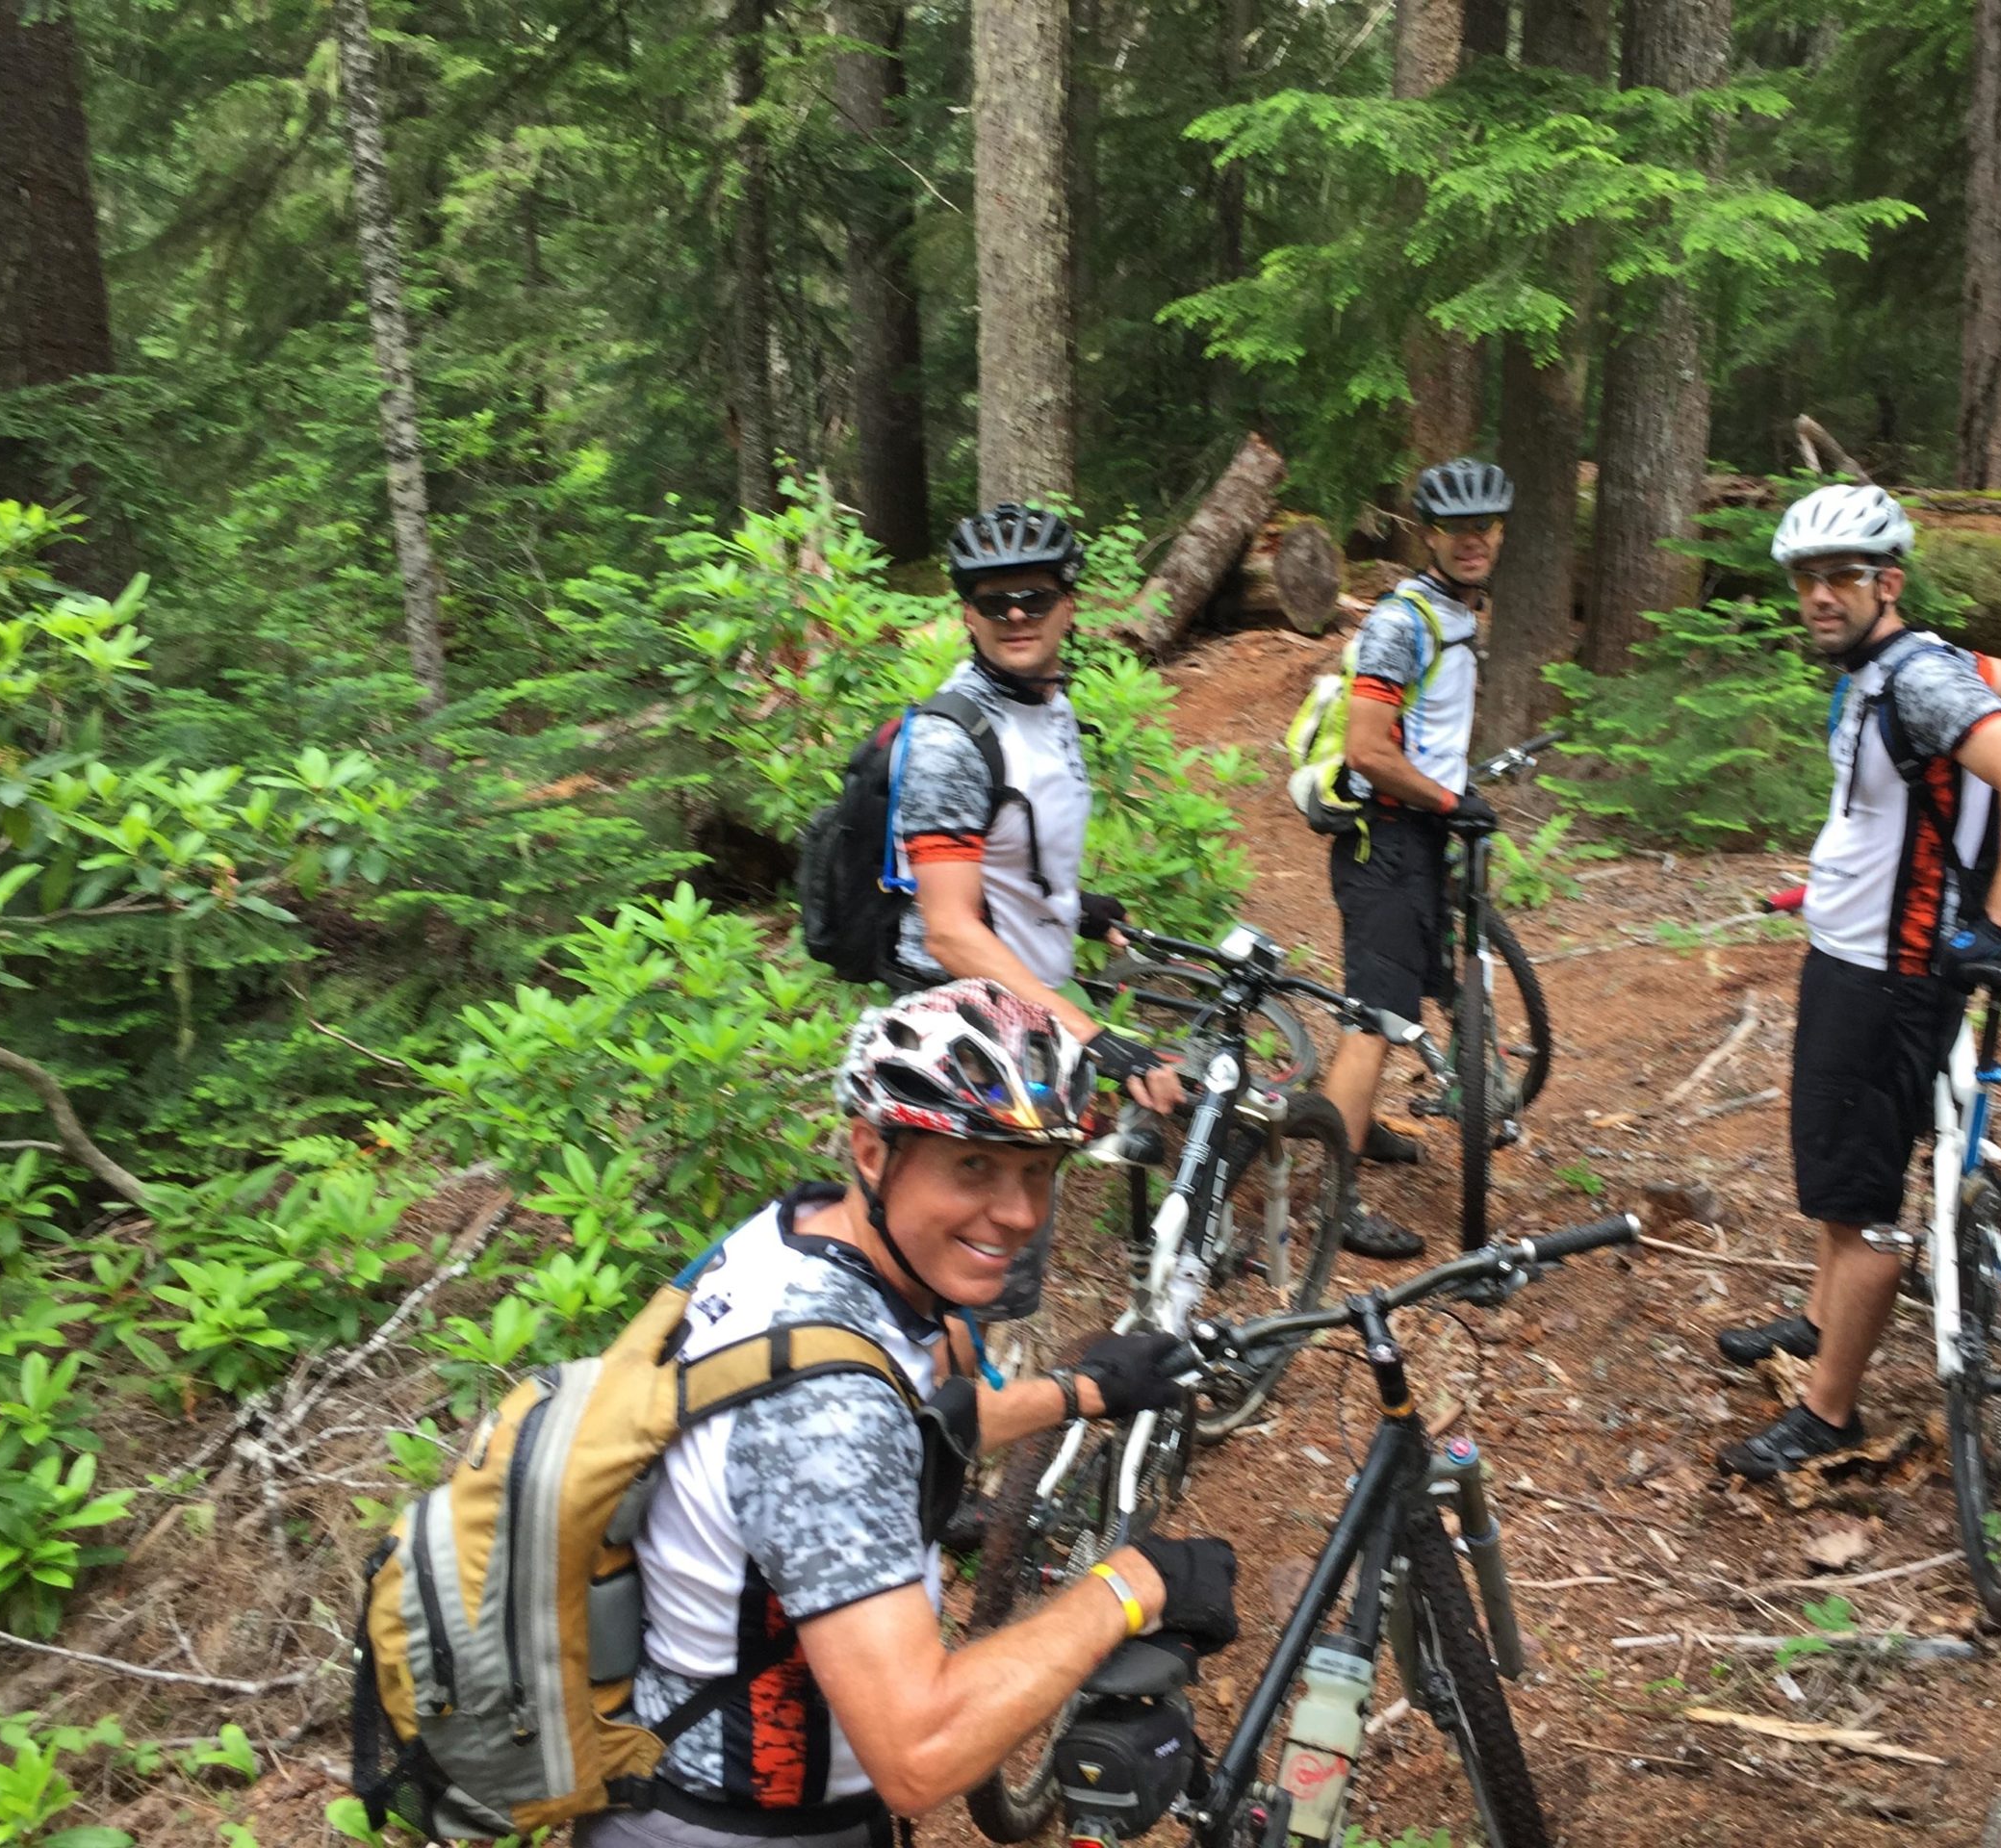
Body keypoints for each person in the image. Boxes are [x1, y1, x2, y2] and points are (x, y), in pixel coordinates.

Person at [583, 981, 1237, 1847]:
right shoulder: (822, 1409)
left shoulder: (789, 1243)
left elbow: (907, 1424)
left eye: (1038, 1172)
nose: (1018, 1216)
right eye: (975, 1165)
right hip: (743, 1828)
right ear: (871, 1150)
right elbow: (918, 1751)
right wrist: (1136, 1584)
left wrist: (1085, 1392)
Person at [1716, 483, 2001, 1481]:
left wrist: (1994, 929)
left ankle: (1827, 1413)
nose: (1819, 597)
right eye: (1806, 580)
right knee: (1837, 1180)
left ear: (1888, 583)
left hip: (1889, 978)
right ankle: (1818, 1325)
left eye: (1841, 577)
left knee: (1863, 1199)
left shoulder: (1919, 677)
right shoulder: (1892, 668)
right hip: (1852, 958)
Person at [887, 502, 1183, 1317]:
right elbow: (949, 928)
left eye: (1035, 596)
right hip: (971, 1035)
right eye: (993, 601)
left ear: (1070, 603)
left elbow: (1007, 850)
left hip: (1025, 1016)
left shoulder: (1046, 705)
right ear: (966, 613)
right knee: (971, 1286)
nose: (1016, 616)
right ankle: (966, 1421)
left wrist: (1072, 906)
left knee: (1005, 1267)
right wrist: (1094, 1034)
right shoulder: (955, 738)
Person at [1317, 458, 1515, 1261]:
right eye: (1455, 530)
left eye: (1484, 528)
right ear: (1430, 535)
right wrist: (1447, 801)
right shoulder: (1405, 622)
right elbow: (1367, 748)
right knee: (1374, 1021)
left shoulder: (1464, 610)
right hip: (1388, 841)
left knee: (1404, 1003)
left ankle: (1356, 1136)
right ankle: (1337, 1200)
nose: (1471, 542)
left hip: (1424, 837)